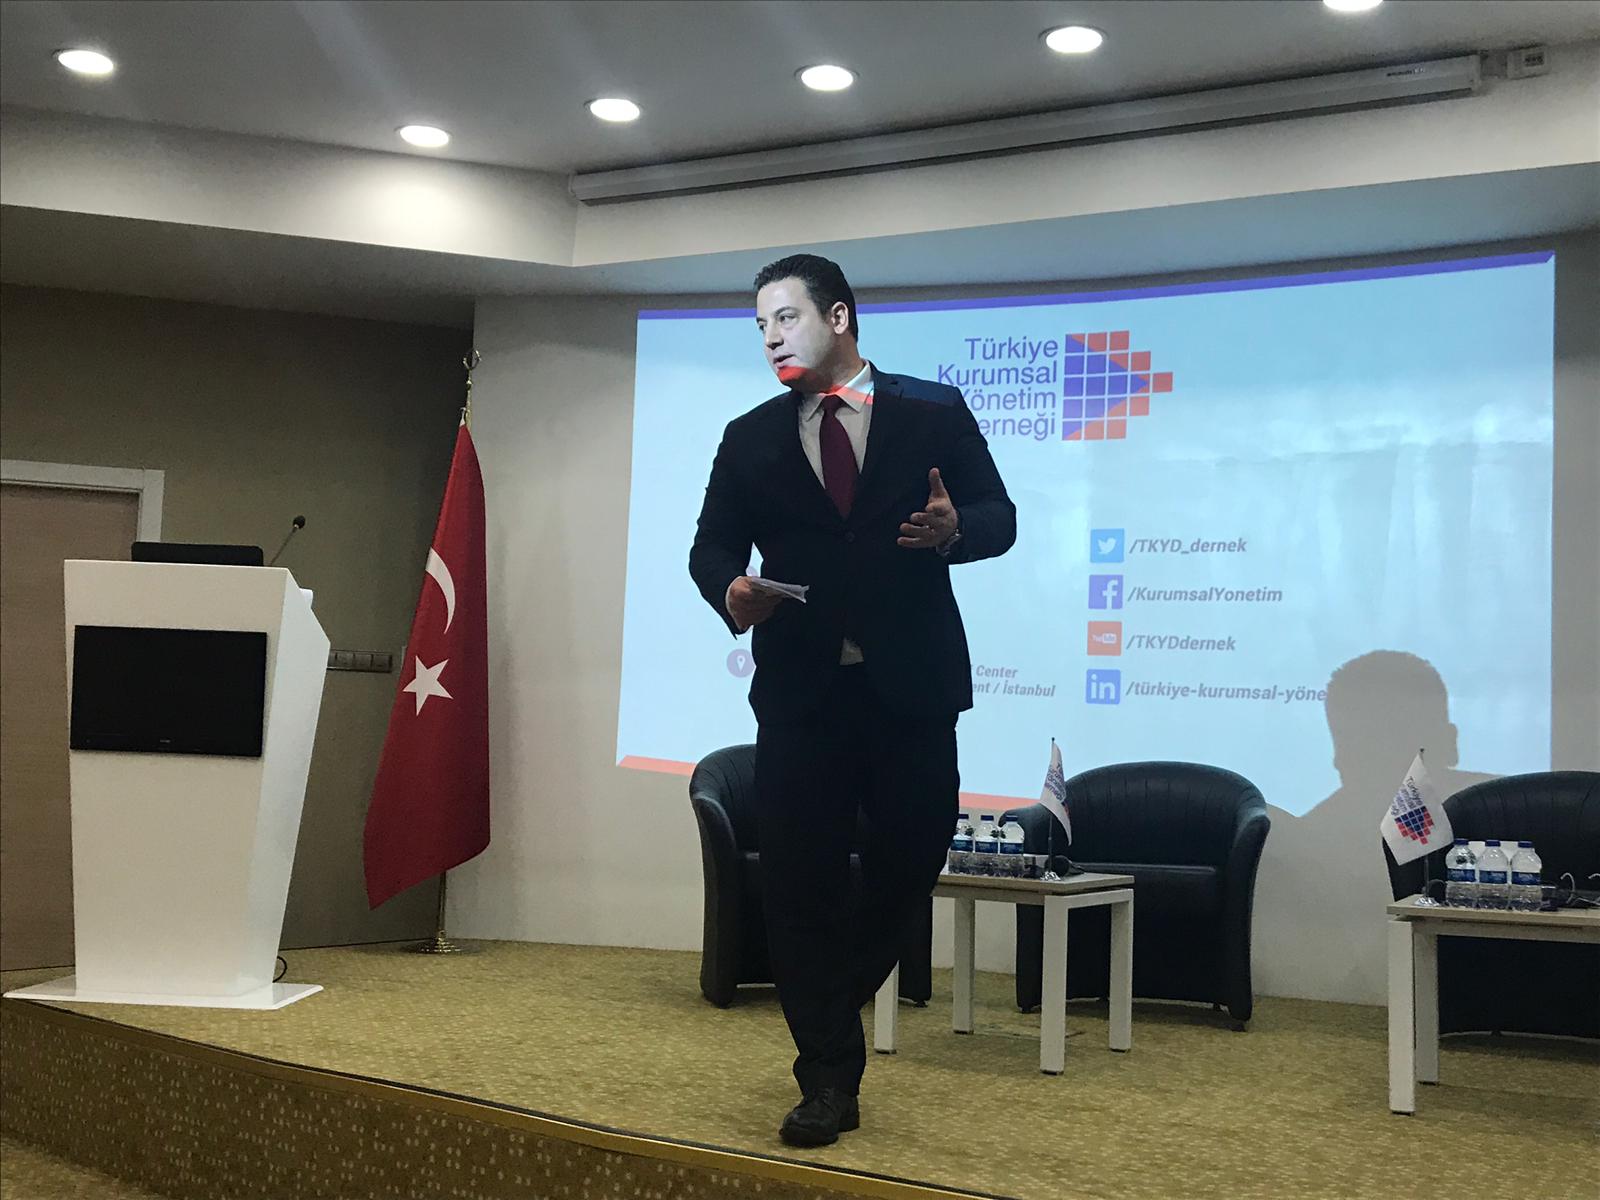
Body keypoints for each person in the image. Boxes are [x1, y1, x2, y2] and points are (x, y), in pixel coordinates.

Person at [689, 254, 1016, 1146]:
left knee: (912, 859)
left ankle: (828, 1000)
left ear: (838, 317)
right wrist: (732, 592)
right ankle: (827, 1077)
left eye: (786, 319)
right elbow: (711, 549)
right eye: (761, 326)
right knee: (799, 885)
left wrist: (956, 530)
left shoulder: (932, 412)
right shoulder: (749, 436)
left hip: (912, 690)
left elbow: (1000, 516)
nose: (771, 339)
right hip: (802, 698)